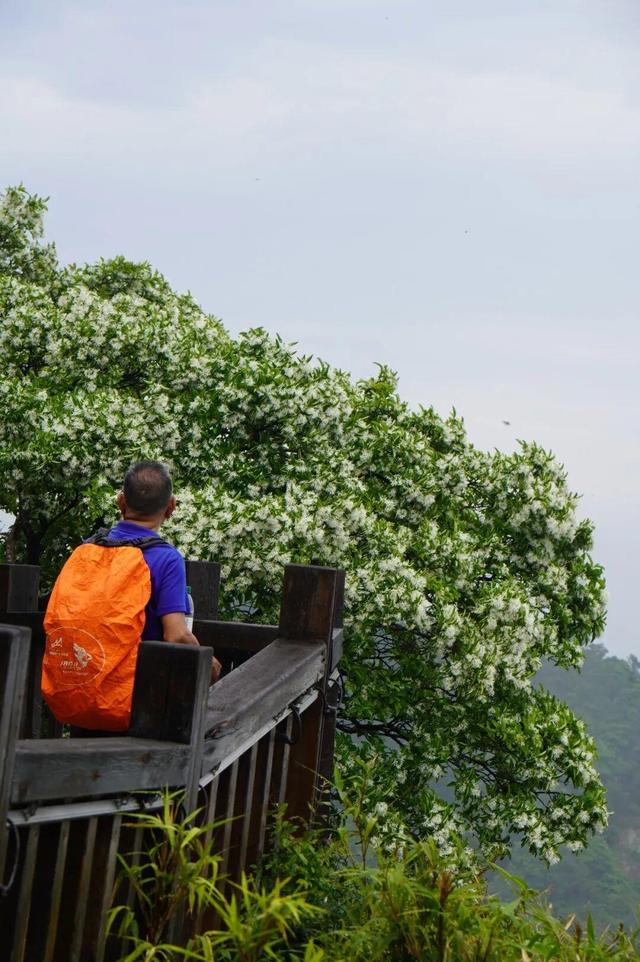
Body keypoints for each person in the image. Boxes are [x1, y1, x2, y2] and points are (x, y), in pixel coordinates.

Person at [110, 460, 222, 680]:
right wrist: (209, 664)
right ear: (171, 507)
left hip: (82, 680)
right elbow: (176, 635)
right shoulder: (167, 559)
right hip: (132, 686)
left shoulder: (87, 548)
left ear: (121, 501)